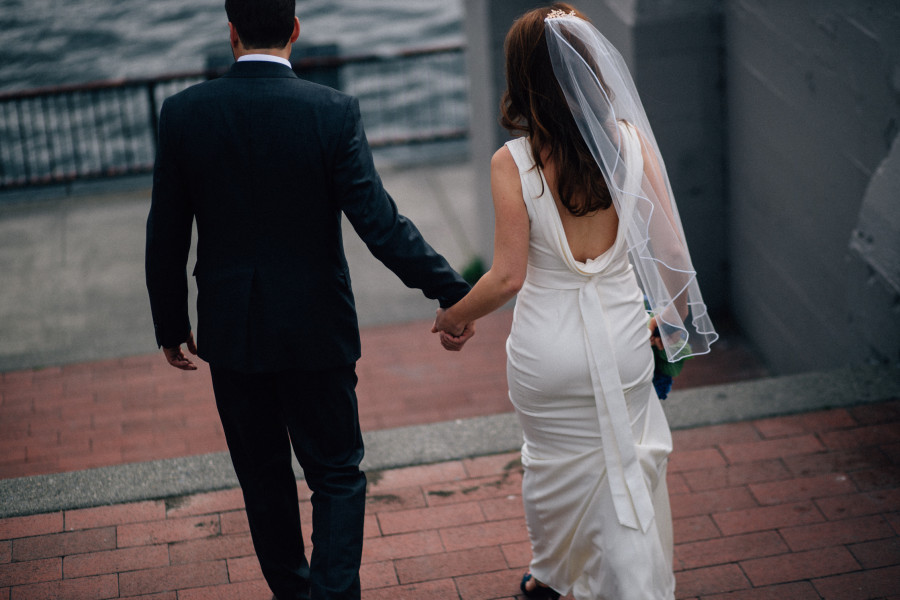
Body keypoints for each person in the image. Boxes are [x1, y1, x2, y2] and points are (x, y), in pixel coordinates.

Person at [144, 1, 473, 598]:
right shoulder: (331, 111)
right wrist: (451, 292)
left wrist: (171, 324)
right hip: (317, 328)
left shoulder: (183, 113)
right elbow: (379, 222)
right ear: (296, 29)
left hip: (233, 332)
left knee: (263, 481)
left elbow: (166, 231)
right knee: (337, 474)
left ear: (231, 31)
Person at [432, 4, 717, 599]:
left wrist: (455, 315)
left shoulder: (513, 164)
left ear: (524, 79)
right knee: (626, 468)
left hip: (546, 357)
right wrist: (664, 321)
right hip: (623, 345)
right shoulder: (633, 148)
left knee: (551, 474)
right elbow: (674, 259)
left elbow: (507, 278)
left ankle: (552, 578)